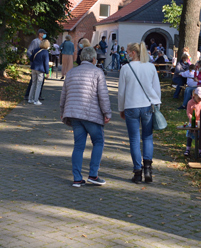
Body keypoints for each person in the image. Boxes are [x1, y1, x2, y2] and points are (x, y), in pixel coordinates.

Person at [60, 46, 112, 187]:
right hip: (91, 115)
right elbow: (103, 95)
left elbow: (64, 94)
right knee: (98, 142)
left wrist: (62, 111)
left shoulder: (71, 73)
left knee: (78, 146)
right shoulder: (97, 72)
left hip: (74, 115)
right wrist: (107, 113)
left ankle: (77, 178)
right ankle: (93, 175)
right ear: (94, 59)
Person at [118, 41, 161, 184]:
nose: (127, 54)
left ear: (133, 53)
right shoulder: (150, 67)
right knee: (148, 137)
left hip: (131, 106)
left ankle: (137, 171)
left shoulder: (126, 68)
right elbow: (156, 88)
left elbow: (121, 92)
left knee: (134, 139)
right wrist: (157, 103)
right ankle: (148, 169)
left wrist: (121, 108)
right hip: (148, 105)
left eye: (128, 52)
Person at [24, 29, 47, 102]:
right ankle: (27, 95)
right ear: (40, 34)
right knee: (33, 81)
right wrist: (32, 59)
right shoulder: (35, 41)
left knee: (41, 80)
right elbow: (29, 51)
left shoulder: (43, 42)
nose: (44, 35)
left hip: (41, 65)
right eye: (43, 33)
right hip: (36, 64)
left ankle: (38, 95)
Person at [184, 87, 201, 158]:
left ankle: (200, 151)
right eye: (199, 97)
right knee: (189, 135)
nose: (200, 99)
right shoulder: (190, 102)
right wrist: (192, 119)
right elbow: (188, 112)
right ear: (195, 95)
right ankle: (188, 149)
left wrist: (200, 120)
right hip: (193, 121)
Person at [29, 40, 51, 105]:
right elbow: (46, 63)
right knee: (39, 85)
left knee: (33, 83)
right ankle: (36, 100)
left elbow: (31, 58)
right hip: (40, 70)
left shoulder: (36, 50)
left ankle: (30, 99)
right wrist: (47, 72)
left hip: (33, 68)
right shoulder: (45, 52)